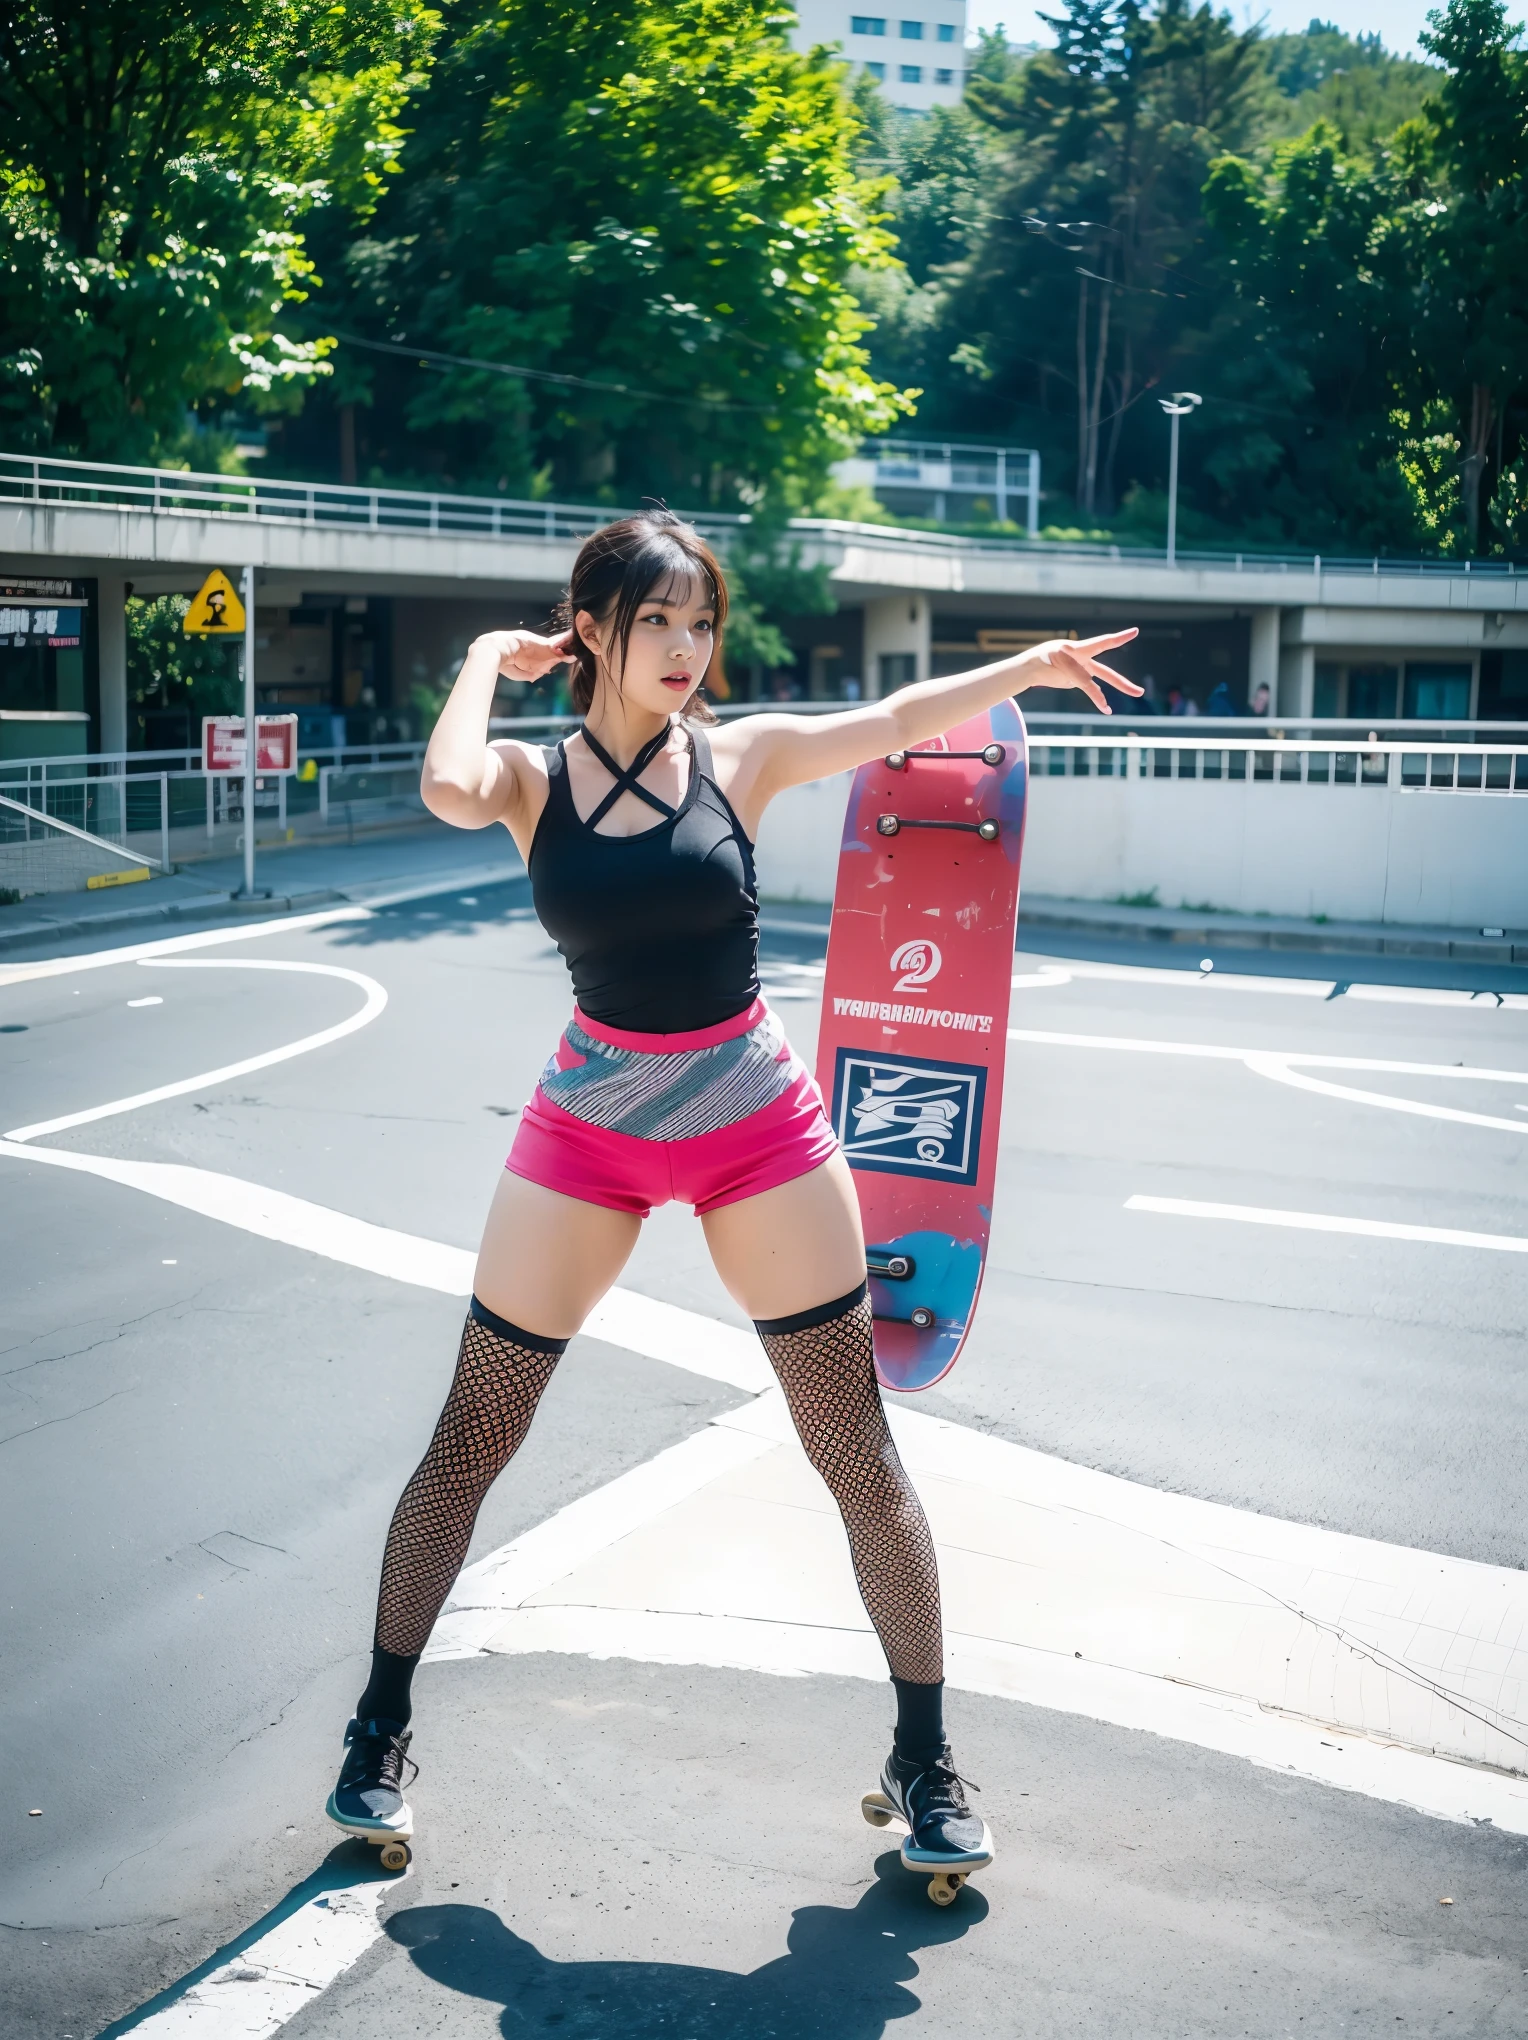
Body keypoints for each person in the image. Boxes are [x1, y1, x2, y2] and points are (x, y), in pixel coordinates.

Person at [325, 509, 1140, 1881]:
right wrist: (479, 654)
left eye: (702, 621)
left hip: (756, 1125)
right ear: (592, 630)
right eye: (659, 622)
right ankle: (377, 1731)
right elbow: (447, 785)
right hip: (589, 1127)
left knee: (855, 1451)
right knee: (473, 1433)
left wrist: (1025, 670)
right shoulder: (532, 778)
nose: (690, 648)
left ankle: (925, 1756)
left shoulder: (740, 757)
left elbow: (888, 716)